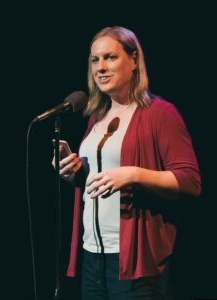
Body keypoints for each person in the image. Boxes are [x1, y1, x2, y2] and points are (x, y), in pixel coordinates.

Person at [52, 26, 201, 299]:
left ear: (134, 60)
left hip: (134, 261)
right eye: (95, 60)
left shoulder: (160, 114)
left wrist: (133, 174)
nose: (101, 67)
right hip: (92, 256)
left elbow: (190, 181)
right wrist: (73, 173)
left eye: (110, 57)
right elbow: (99, 180)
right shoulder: (96, 117)